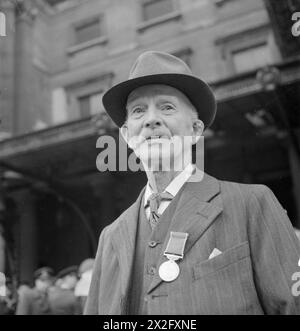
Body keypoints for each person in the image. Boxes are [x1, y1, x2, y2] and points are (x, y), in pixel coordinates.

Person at [85, 51, 300, 315]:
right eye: (139, 110)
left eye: (167, 107)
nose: (152, 119)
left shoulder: (252, 204)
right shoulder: (110, 236)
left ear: (196, 129)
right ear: (127, 135)